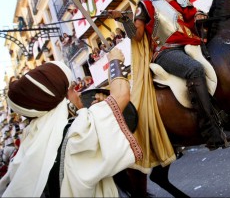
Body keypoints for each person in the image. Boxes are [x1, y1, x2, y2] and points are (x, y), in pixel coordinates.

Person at [108, 0, 230, 152]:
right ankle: (212, 134)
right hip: (166, 52)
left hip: (192, 47)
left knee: (222, 65)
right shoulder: (145, 3)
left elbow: (194, 19)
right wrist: (124, 20)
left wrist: (199, 15)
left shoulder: (181, 0)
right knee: (194, 69)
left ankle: (228, 116)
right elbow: (137, 36)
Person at [0, 49, 142, 197]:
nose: (79, 93)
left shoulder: (30, 145)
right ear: (62, 101)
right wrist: (115, 61)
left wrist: (97, 113)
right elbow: (121, 95)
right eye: (72, 89)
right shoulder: (75, 134)